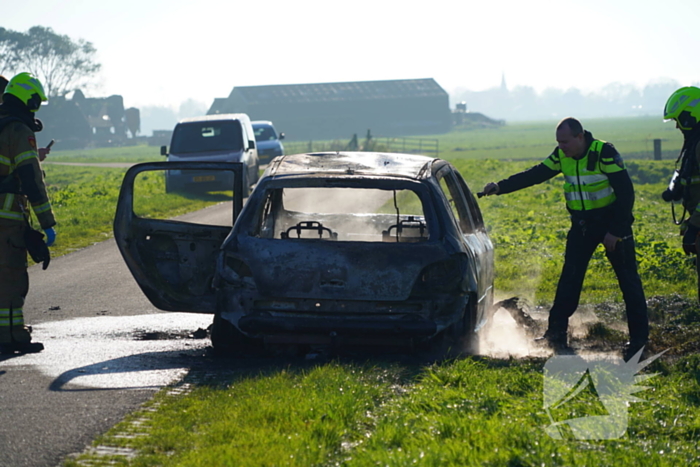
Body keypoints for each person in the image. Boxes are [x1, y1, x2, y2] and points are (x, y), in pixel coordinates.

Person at [482, 117, 648, 359]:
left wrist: (617, 231)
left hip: (612, 224)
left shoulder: (604, 152)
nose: (561, 147)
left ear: (580, 137)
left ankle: (639, 343)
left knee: (629, 283)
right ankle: (556, 333)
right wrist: (500, 187)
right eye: (558, 142)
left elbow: (626, 193)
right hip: (582, 225)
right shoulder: (561, 155)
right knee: (569, 278)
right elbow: (536, 174)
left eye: (565, 142)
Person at [0, 72, 57, 354]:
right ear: (27, 99)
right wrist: (47, 222)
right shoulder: (19, 131)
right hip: (7, 220)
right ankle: (13, 337)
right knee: (11, 277)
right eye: (35, 102)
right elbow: (31, 180)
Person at [662, 86, 700, 302]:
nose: (677, 126)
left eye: (679, 119)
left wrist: (694, 226)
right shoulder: (694, 141)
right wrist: (674, 188)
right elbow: (686, 169)